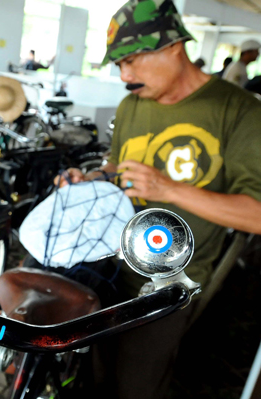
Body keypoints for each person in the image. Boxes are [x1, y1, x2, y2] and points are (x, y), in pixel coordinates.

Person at [57, 1, 261, 398]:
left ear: (174, 47)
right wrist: (91, 179)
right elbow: (116, 167)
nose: (124, 75)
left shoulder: (238, 110)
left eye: (131, 59)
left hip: (169, 284)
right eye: (117, 64)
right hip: (110, 265)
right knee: (94, 368)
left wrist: (167, 189)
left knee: (137, 382)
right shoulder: (132, 104)